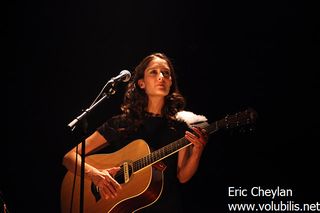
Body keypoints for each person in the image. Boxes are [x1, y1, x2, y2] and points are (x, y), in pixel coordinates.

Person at [62, 52, 209, 212]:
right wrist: (96, 175)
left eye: (166, 73)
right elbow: (69, 157)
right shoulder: (121, 123)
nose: (161, 77)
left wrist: (197, 152)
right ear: (141, 83)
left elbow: (182, 176)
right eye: (154, 72)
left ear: (171, 82)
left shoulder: (179, 127)